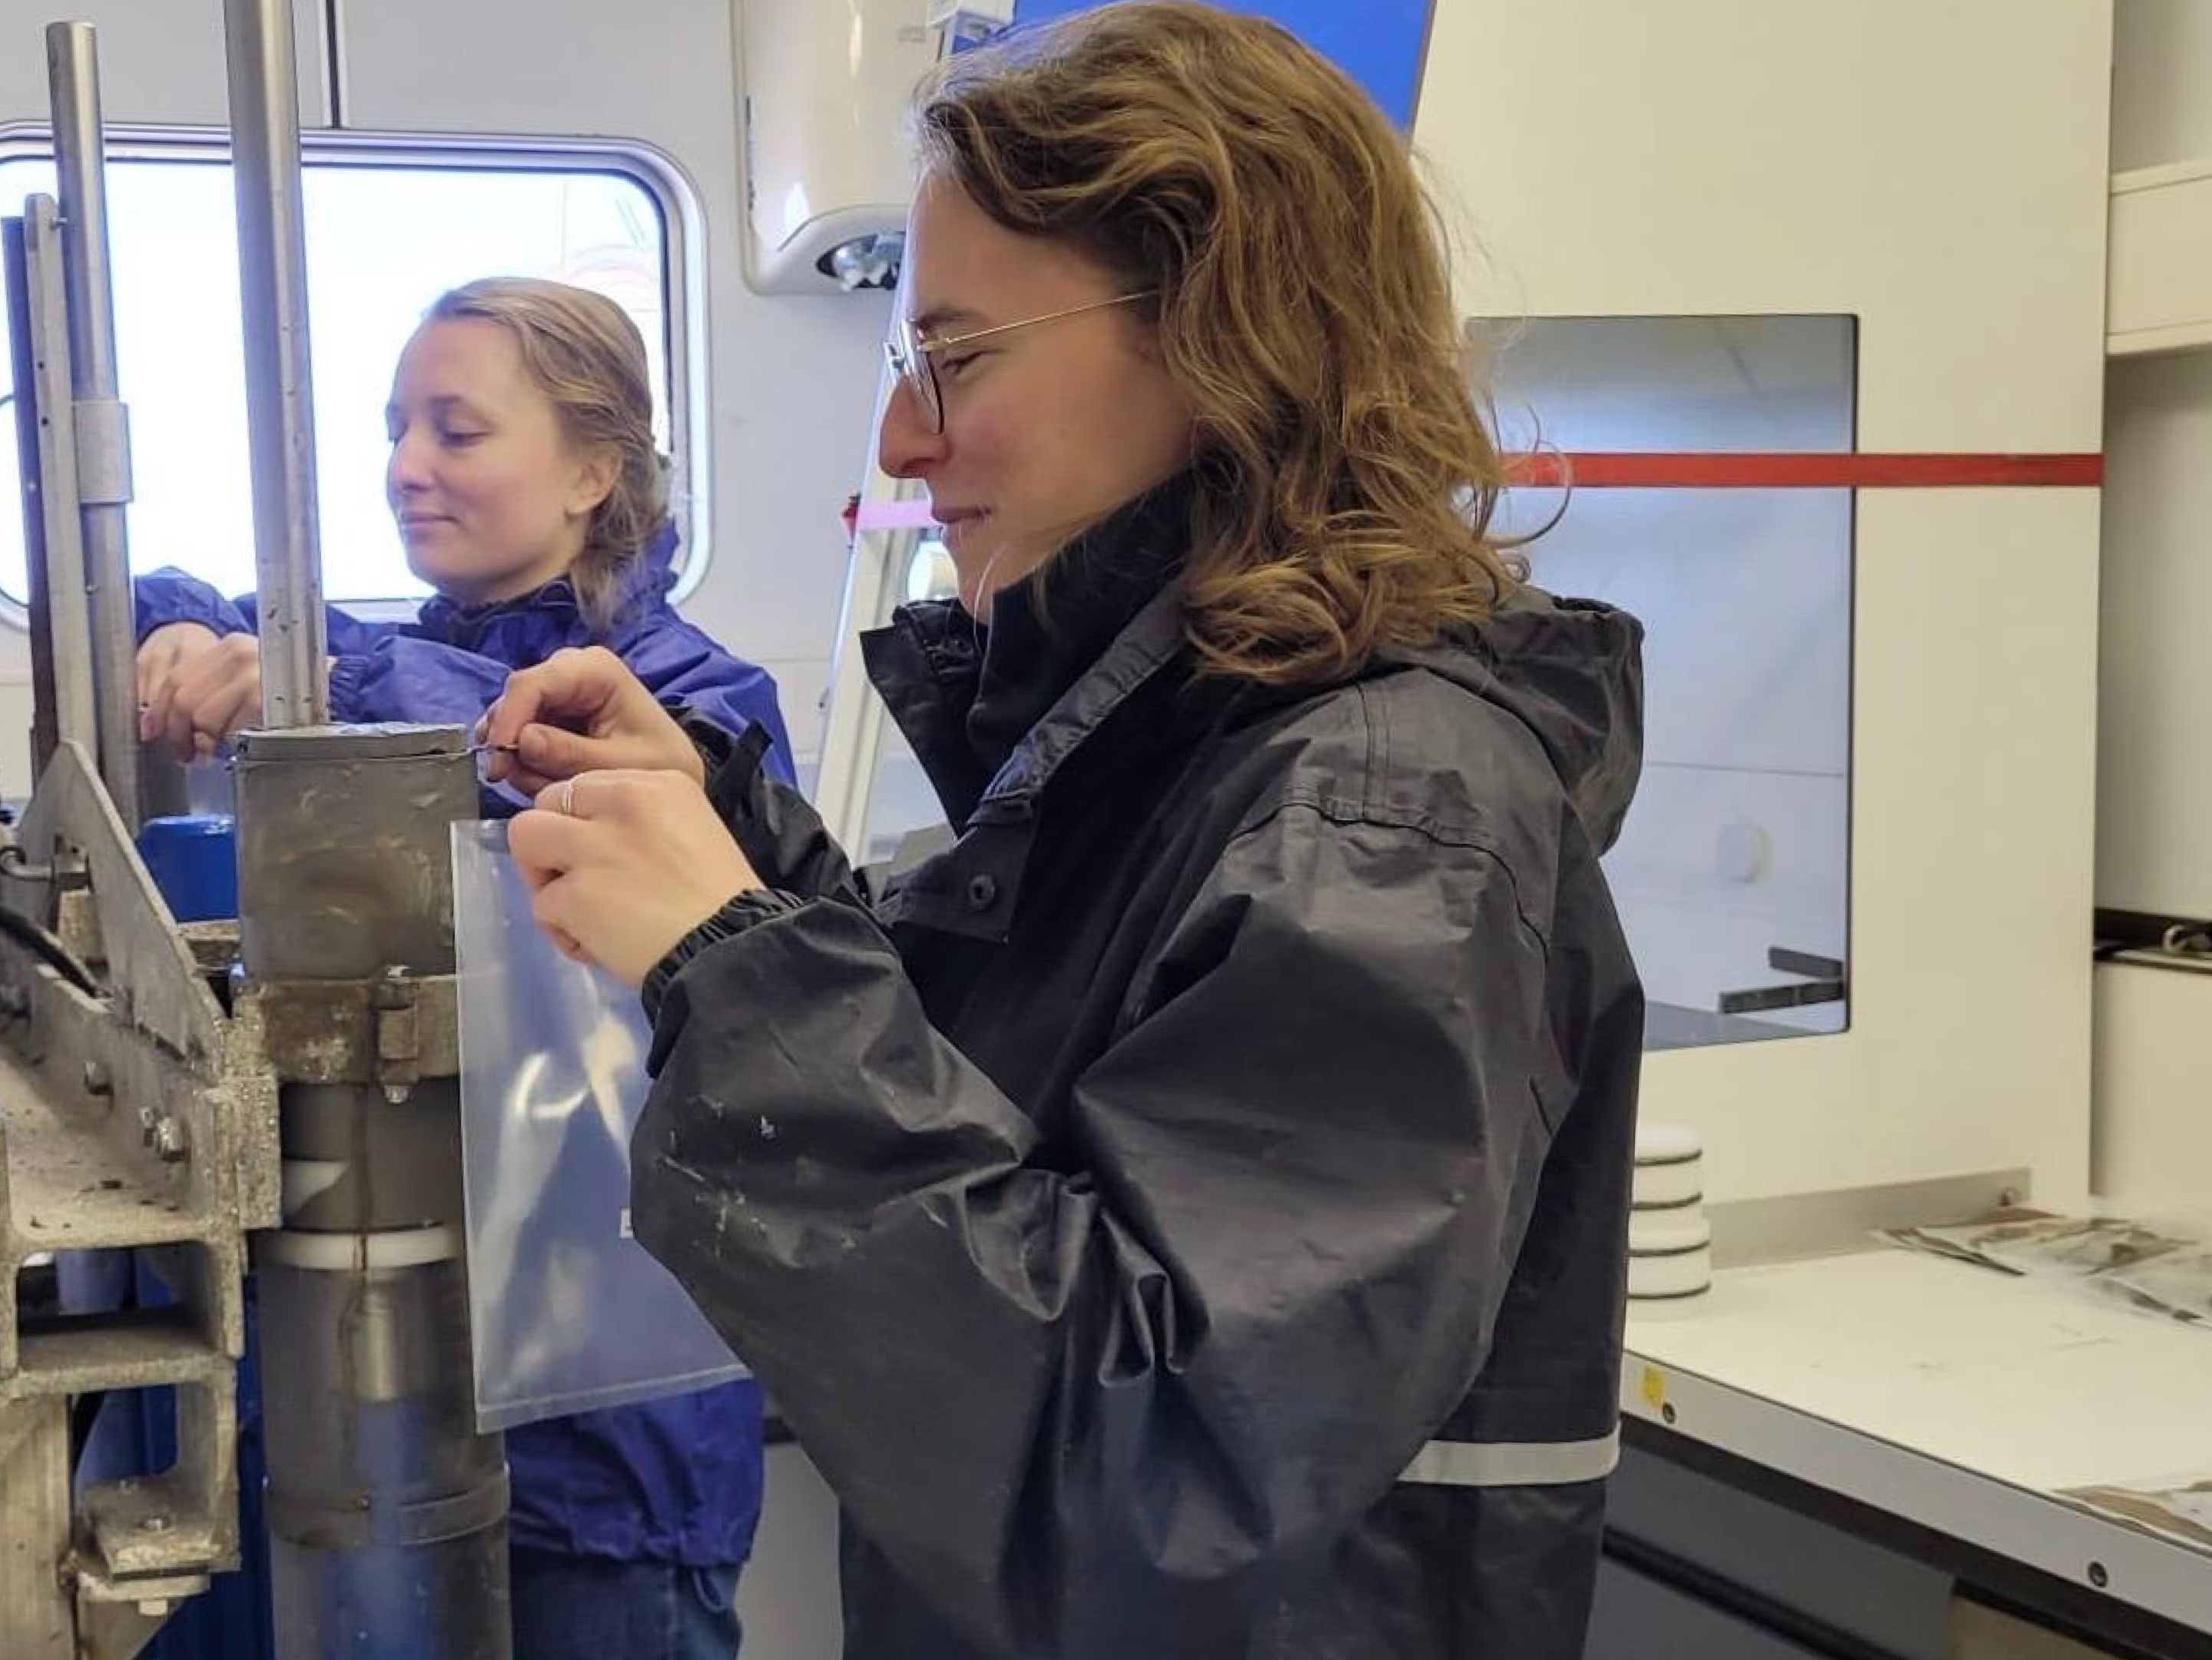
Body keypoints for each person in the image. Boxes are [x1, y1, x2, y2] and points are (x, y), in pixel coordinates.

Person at [477, 7, 1648, 1657]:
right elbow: (1008, 1126)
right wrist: (734, 849)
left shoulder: (1386, 821)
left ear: (1217, 334)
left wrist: (738, 976)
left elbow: (1148, 1467)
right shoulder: (1190, 739)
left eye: (952, 359)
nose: (899, 439)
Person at [130, 277, 778, 1660]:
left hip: (608, 1432)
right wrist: (180, 632)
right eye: (394, 426)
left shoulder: (699, 704)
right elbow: (170, 588)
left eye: (457, 430)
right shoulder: (400, 652)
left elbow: (524, 758)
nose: (405, 466)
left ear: (595, 471)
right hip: (390, 1387)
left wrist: (320, 685)